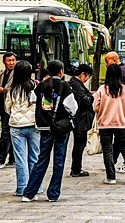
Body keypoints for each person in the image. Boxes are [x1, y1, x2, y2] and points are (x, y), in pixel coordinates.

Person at [21, 59, 77, 202]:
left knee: (41, 160)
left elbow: (32, 99)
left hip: (45, 127)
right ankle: (53, 193)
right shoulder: (65, 86)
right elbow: (72, 107)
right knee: (59, 161)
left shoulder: (41, 86)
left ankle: (29, 193)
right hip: (60, 128)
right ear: (61, 71)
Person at [93, 63, 125, 185]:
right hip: (121, 124)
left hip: (105, 125)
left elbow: (95, 107)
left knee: (107, 150)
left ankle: (111, 177)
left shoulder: (102, 89)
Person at [4, 60, 38, 196]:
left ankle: (22, 187)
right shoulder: (35, 87)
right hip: (34, 125)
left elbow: (7, 108)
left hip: (16, 126)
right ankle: (36, 186)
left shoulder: (12, 90)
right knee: (34, 157)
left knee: (20, 158)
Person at [0, 51, 17, 169]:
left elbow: (16, 89)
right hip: (2, 106)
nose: (11, 63)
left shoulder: (17, 73)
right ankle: (13, 158)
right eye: (9, 61)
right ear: (4, 62)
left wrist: (4, 90)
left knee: (6, 134)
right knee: (8, 133)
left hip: (12, 107)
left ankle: (0, 159)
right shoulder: (1, 74)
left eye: (13, 60)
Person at [67, 64, 94, 177]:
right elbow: (85, 100)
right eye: (87, 77)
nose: (87, 79)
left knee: (79, 144)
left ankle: (76, 168)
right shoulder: (76, 85)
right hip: (80, 118)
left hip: (77, 117)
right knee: (79, 144)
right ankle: (76, 169)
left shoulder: (73, 83)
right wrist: (93, 97)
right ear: (83, 74)